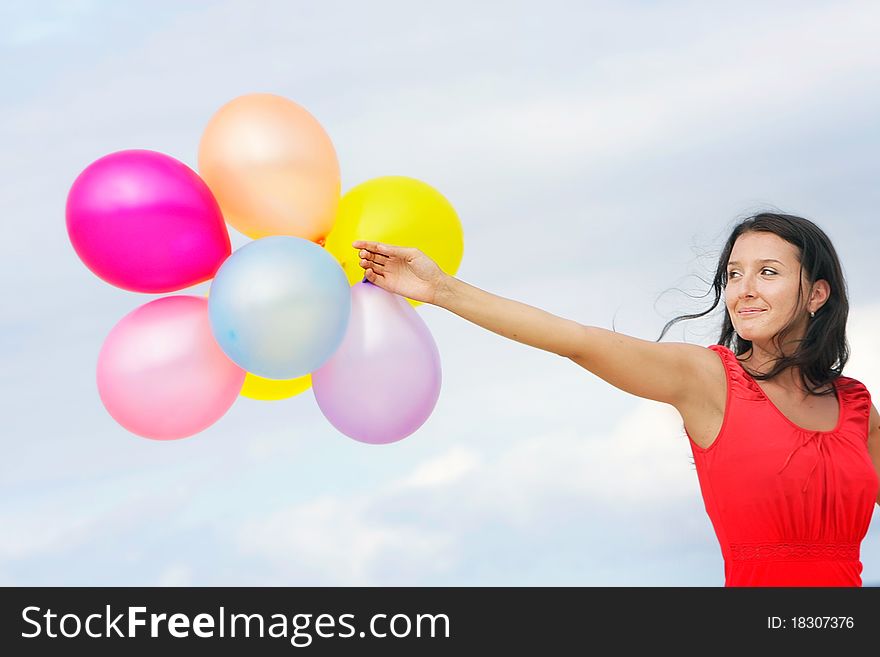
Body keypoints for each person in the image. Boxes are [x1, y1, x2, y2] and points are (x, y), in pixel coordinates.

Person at [353, 211, 880, 587]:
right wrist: (443, 290)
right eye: (735, 273)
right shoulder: (709, 379)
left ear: (817, 294)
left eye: (768, 272)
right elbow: (578, 341)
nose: (743, 289)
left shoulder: (855, 406)